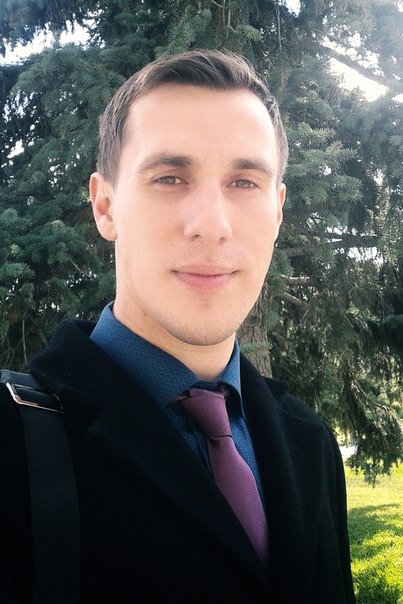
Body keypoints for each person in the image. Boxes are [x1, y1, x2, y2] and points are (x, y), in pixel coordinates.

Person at [0, 49, 356, 603]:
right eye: (170, 177)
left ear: (278, 211)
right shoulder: (12, 446)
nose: (212, 225)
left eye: (245, 182)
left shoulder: (310, 443)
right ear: (105, 206)